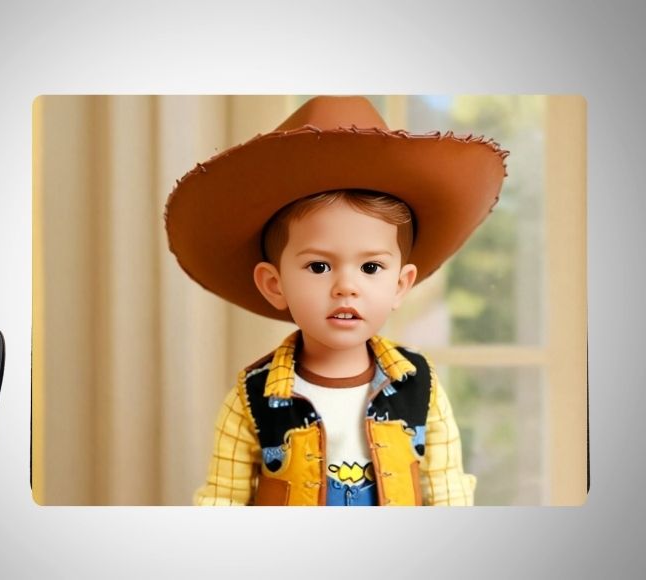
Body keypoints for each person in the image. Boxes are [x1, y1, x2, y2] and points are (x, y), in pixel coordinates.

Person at [164, 96, 508, 506]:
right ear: (275, 284)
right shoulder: (252, 398)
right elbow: (222, 500)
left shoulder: (420, 385)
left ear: (401, 284)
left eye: (370, 269)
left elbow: (448, 491)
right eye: (319, 267)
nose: (346, 287)